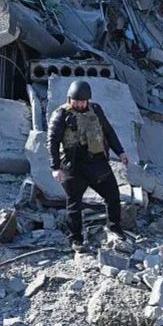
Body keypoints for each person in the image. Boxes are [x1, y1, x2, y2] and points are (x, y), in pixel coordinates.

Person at [47, 80, 131, 250]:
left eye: (82, 101)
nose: (79, 104)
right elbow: (52, 142)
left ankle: (115, 228)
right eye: (75, 101)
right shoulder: (61, 114)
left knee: (113, 196)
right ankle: (76, 239)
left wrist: (120, 152)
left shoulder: (96, 110)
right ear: (69, 99)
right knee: (74, 204)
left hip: (97, 162)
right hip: (73, 165)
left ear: (88, 100)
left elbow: (108, 132)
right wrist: (55, 168)